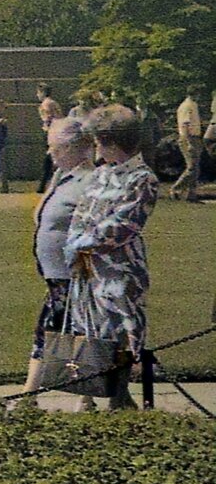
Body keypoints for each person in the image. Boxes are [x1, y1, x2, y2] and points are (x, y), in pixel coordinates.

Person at [63, 105, 161, 411]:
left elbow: (123, 225)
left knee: (120, 332)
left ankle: (119, 397)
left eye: (98, 142)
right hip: (88, 269)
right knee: (88, 328)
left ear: (112, 143)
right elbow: (81, 214)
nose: (95, 148)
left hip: (120, 271)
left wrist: (82, 243)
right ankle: (88, 396)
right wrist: (74, 248)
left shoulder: (142, 179)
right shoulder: (100, 174)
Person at [23, 116, 98, 400]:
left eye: (53, 147)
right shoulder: (62, 177)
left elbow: (94, 230)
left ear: (69, 148)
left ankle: (32, 396)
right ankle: (34, 395)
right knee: (58, 331)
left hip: (76, 275)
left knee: (67, 333)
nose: (49, 152)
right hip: (57, 276)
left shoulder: (90, 181)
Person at [173, 91, 204, 202]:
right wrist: (189, 142)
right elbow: (185, 124)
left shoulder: (194, 105)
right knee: (191, 167)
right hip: (188, 138)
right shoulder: (187, 106)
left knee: (196, 168)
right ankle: (176, 188)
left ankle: (191, 194)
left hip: (195, 137)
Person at [35, 84, 65, 191]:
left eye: (38, 92)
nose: (37, 95)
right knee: (51, 158)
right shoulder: (54, 103)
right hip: (56, 131)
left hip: (50, 132)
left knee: (50, 158)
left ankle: (43, 184)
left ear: (43, 92)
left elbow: (49, 119)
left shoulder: (46, 104)